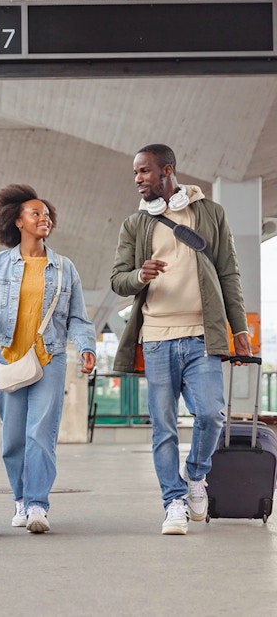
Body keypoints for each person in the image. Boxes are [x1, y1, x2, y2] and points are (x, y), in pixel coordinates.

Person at [110, 143, 252, 535]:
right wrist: (140, 275)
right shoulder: (134, 225)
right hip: (156, 338)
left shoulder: (209, 213)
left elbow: (229, 275)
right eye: (135, 173)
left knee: (210, 415)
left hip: (201, 337)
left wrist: (239, 330)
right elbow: (118, 279)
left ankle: (195, 477)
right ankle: (173, 501)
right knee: (164, 426)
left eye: (144, 172)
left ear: (167, 170)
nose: (138, 179)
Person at [0, 184, 96, 534]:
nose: (44, 218)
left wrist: (86, 348)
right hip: (11, 359)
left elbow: (78, 318)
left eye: (47, 214)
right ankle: (21, 499)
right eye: (35, 213)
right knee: (13, 439)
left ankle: (38, 504)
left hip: (49, 358)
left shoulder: (64, 268)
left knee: (41, 433)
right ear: (18, 222)